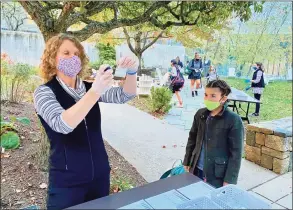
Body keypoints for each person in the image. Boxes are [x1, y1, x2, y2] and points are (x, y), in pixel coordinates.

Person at [33, 33, 137, 210]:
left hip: (100, 177)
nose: (72, 57)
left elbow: (124, 94)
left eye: (76, 54)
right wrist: (95, 91)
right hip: (67, 183)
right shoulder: (44, 92)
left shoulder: (89, 88)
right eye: (65, 53)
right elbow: (62, 124)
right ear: (52, 58)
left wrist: (132, 71)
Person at [183, 80, 244, 188]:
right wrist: (187, 161)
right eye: (206, 95)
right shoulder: (200, 114)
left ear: (223, 98)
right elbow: (192, 138)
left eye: (213, 96)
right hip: (196, 167)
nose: (208, 99)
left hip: (217, 174)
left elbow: (236, 153)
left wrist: (229, 179)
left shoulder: (233, 120)